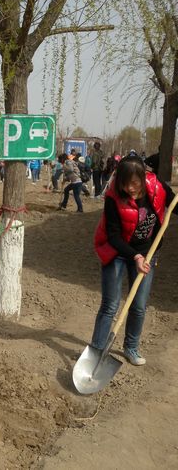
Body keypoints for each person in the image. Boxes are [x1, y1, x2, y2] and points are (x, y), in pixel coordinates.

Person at [91, 156, 178, 365]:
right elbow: (113, 236)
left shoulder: (157, 187)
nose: (129, 188)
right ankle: (96, 350)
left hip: (148, 253)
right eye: (124, 183)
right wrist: (135, 256)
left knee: (138, 305)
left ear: (143, 177)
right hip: (117, 252)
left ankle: (131, 347)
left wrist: (142, 256)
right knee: (110, 305)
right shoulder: (113, 196)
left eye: (135, 183)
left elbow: (174, 204)